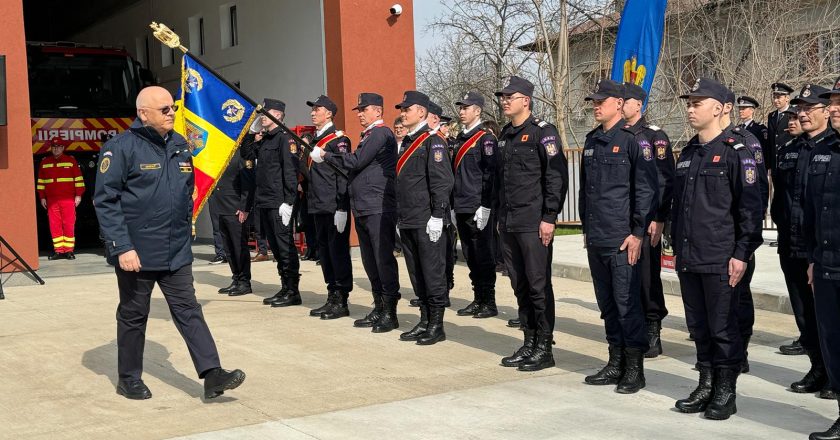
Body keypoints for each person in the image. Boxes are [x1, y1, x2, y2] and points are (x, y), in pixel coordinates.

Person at [94, 86, 245, 400]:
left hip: (175, 249)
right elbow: (106, 201)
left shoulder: (179, 144)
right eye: (164, 109)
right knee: (134, 315)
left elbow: (186, 189)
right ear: (143, 113)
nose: (172, 113)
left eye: (172, 108)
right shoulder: (120, 148)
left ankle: (212, 374)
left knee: (189, 310)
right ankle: (128, 378)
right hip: (137, 252)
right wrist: (122, 246)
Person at [671, 78, 763, 420]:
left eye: (698, 102)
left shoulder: (738, 151)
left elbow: (751, 209)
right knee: (698, 325)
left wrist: (742, 253)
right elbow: (679, 206)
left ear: (722, 108)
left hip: (722, 257)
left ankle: (726, 390)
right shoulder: (689, 152)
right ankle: (706, 382)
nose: (691, 108)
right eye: (690, 102)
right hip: (690, 255)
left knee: (724, 327)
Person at [580, 79, 657, 394]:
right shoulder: (591, 140)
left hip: (622, 239)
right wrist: (586, 228)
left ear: (618, 103)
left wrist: (638, 232)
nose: (596, 106)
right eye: (594, 101)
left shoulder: (633, 141)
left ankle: (634, 368)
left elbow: (645, 189)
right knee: (607, 304)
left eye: (602, 101)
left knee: (627, 304)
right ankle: (615, 362)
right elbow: (587, 191)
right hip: (597, 237)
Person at [496, 76, 568, 371]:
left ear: (525, 100)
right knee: (519, 284)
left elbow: (555, 177)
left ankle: (544, 346)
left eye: (509, 96)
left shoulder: (543, 133)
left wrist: (549, 217)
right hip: (509, 222)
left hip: (533, 222)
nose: (504, 101)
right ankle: (529, 340)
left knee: (538, 285)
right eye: (502, 97)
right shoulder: (504, 135)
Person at [313, 92, 401, 332]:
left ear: (378, 111)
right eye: (359, 110)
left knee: (382, 259)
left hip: (377, 205)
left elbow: (356, 161)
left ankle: (390, 311)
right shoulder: (369, 135)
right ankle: (379, 306)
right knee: (370, 260)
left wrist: (326, 155)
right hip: (364, 205)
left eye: (364, 109)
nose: (360, 114)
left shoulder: (381, 133)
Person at [771, 95, 836, 402]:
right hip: (791, 241)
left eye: (809, 109)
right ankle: (817, 367)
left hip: (820, 248)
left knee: (828, 318)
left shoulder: (830, 147)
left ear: (826, 112)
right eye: (799, 110)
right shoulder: (790, 147)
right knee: (804, 312)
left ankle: (832, 373)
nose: (802, 114)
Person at [392, 91, 454, 344]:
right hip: (408, 218)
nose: (403, 113)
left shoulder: (432, 141)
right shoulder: (408, 141)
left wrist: (438, 215)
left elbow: (442, 181)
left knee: (432, 272)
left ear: (421, 112)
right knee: (417, 273)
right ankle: (425, 319)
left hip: (427, 219)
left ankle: (437, 324)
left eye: (407, 109)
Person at [621, 82, 675, 359]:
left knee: (646, 276)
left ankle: (653, 329)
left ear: (638, 105)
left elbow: (664, 180)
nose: (620, 104)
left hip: (647, 220)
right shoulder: (617, 134)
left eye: (625, 100)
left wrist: (659, 216)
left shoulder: (655, 137)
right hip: (621, 219)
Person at [725, 93, 770, 374]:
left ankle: (740, 351)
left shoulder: (746, 142)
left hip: (736, 237)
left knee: (739, 297)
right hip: (711, 239)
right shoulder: (700, 144)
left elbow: (756, 190)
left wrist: (748, 236)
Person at [805, 81, 840, 440]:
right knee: (833, 341)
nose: (834, 107)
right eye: (832, 101)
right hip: (828, 262)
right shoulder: (824, 150)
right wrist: (815, 257)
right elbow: (817, 210)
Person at [302, 95, 353, 320]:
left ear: (329, 113)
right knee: (324, 252)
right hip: (317, 205)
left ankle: (341, 299)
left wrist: (342, 207)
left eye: (318, 109)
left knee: (337, 252)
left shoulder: (337, 140)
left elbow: (343, 174)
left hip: (333, 205)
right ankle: (331, 294)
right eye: (313, 109)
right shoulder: (314, 140)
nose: (313, 113)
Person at [250, 99, 302, 308]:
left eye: (266, 113)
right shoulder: (264, 140)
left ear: (278, 115)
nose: (262, 116)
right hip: (265, 201)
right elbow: (247, 154)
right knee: (276, 249)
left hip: (279, 203)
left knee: (285, 246)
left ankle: (293, 291)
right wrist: (254, 131)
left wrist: (288, 202)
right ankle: (285, 286)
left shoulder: (284, 139)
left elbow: (290, 172)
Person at [451, 91, 498, 319]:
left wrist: (486, 204)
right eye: (460, 107)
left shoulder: (485, 138)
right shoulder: (460, 138)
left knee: (483, 253)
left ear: (477, 111)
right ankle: (477, 298)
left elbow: (490, 174)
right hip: (461, 204)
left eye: (466, 107)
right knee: (469, 254)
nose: (461, 111)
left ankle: (488, 300)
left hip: (477, 206)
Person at [210, 147, 255, 297]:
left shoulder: (242, 154)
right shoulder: (219, 151)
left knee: (238, 247)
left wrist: (244, 207)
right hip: (220, 205)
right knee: (228, 248)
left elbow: (248, 183)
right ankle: (236, 278)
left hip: (234, 208)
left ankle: (244, 282)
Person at [37, 138, 85, 260]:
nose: (56, 149)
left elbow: (78, 179)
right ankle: (58, 251)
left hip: (68, 199)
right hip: (52, 200)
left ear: (63, 148)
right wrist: (42, 197)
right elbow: (41, 182)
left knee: (68, 224)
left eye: (58, 146)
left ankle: (69, 251)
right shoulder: (45, 162)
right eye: (54, 146)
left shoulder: (70, 161)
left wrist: (78, 195)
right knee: (54, 225)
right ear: (51, 148)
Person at [767, 82, 795, 176]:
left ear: (787, 98)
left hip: (790, 164)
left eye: (778, 97)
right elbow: (771, 142)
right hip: (775, 165)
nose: (775, 100)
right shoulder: (772, 116)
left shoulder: (794, 114)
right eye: (774, 97)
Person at [393, 117, 406, 257]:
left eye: (401, 128)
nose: (398, 130)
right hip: (392, 187)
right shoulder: (390, 145)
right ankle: (396, 246)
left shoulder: (409, 144)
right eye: (396, 128)